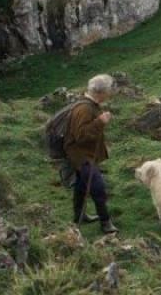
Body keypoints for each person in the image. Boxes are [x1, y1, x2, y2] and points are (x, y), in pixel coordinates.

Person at [64, 74, 118, 234]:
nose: (110, 95)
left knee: (81, 186)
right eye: (108, 92)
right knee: (98, 187)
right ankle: (106, 222)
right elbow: (81, 136)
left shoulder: (90, 104)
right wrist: (100, 122)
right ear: (101, 92)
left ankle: (80, 215)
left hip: (82, 154)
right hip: (82, 156)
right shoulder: (84, 108)